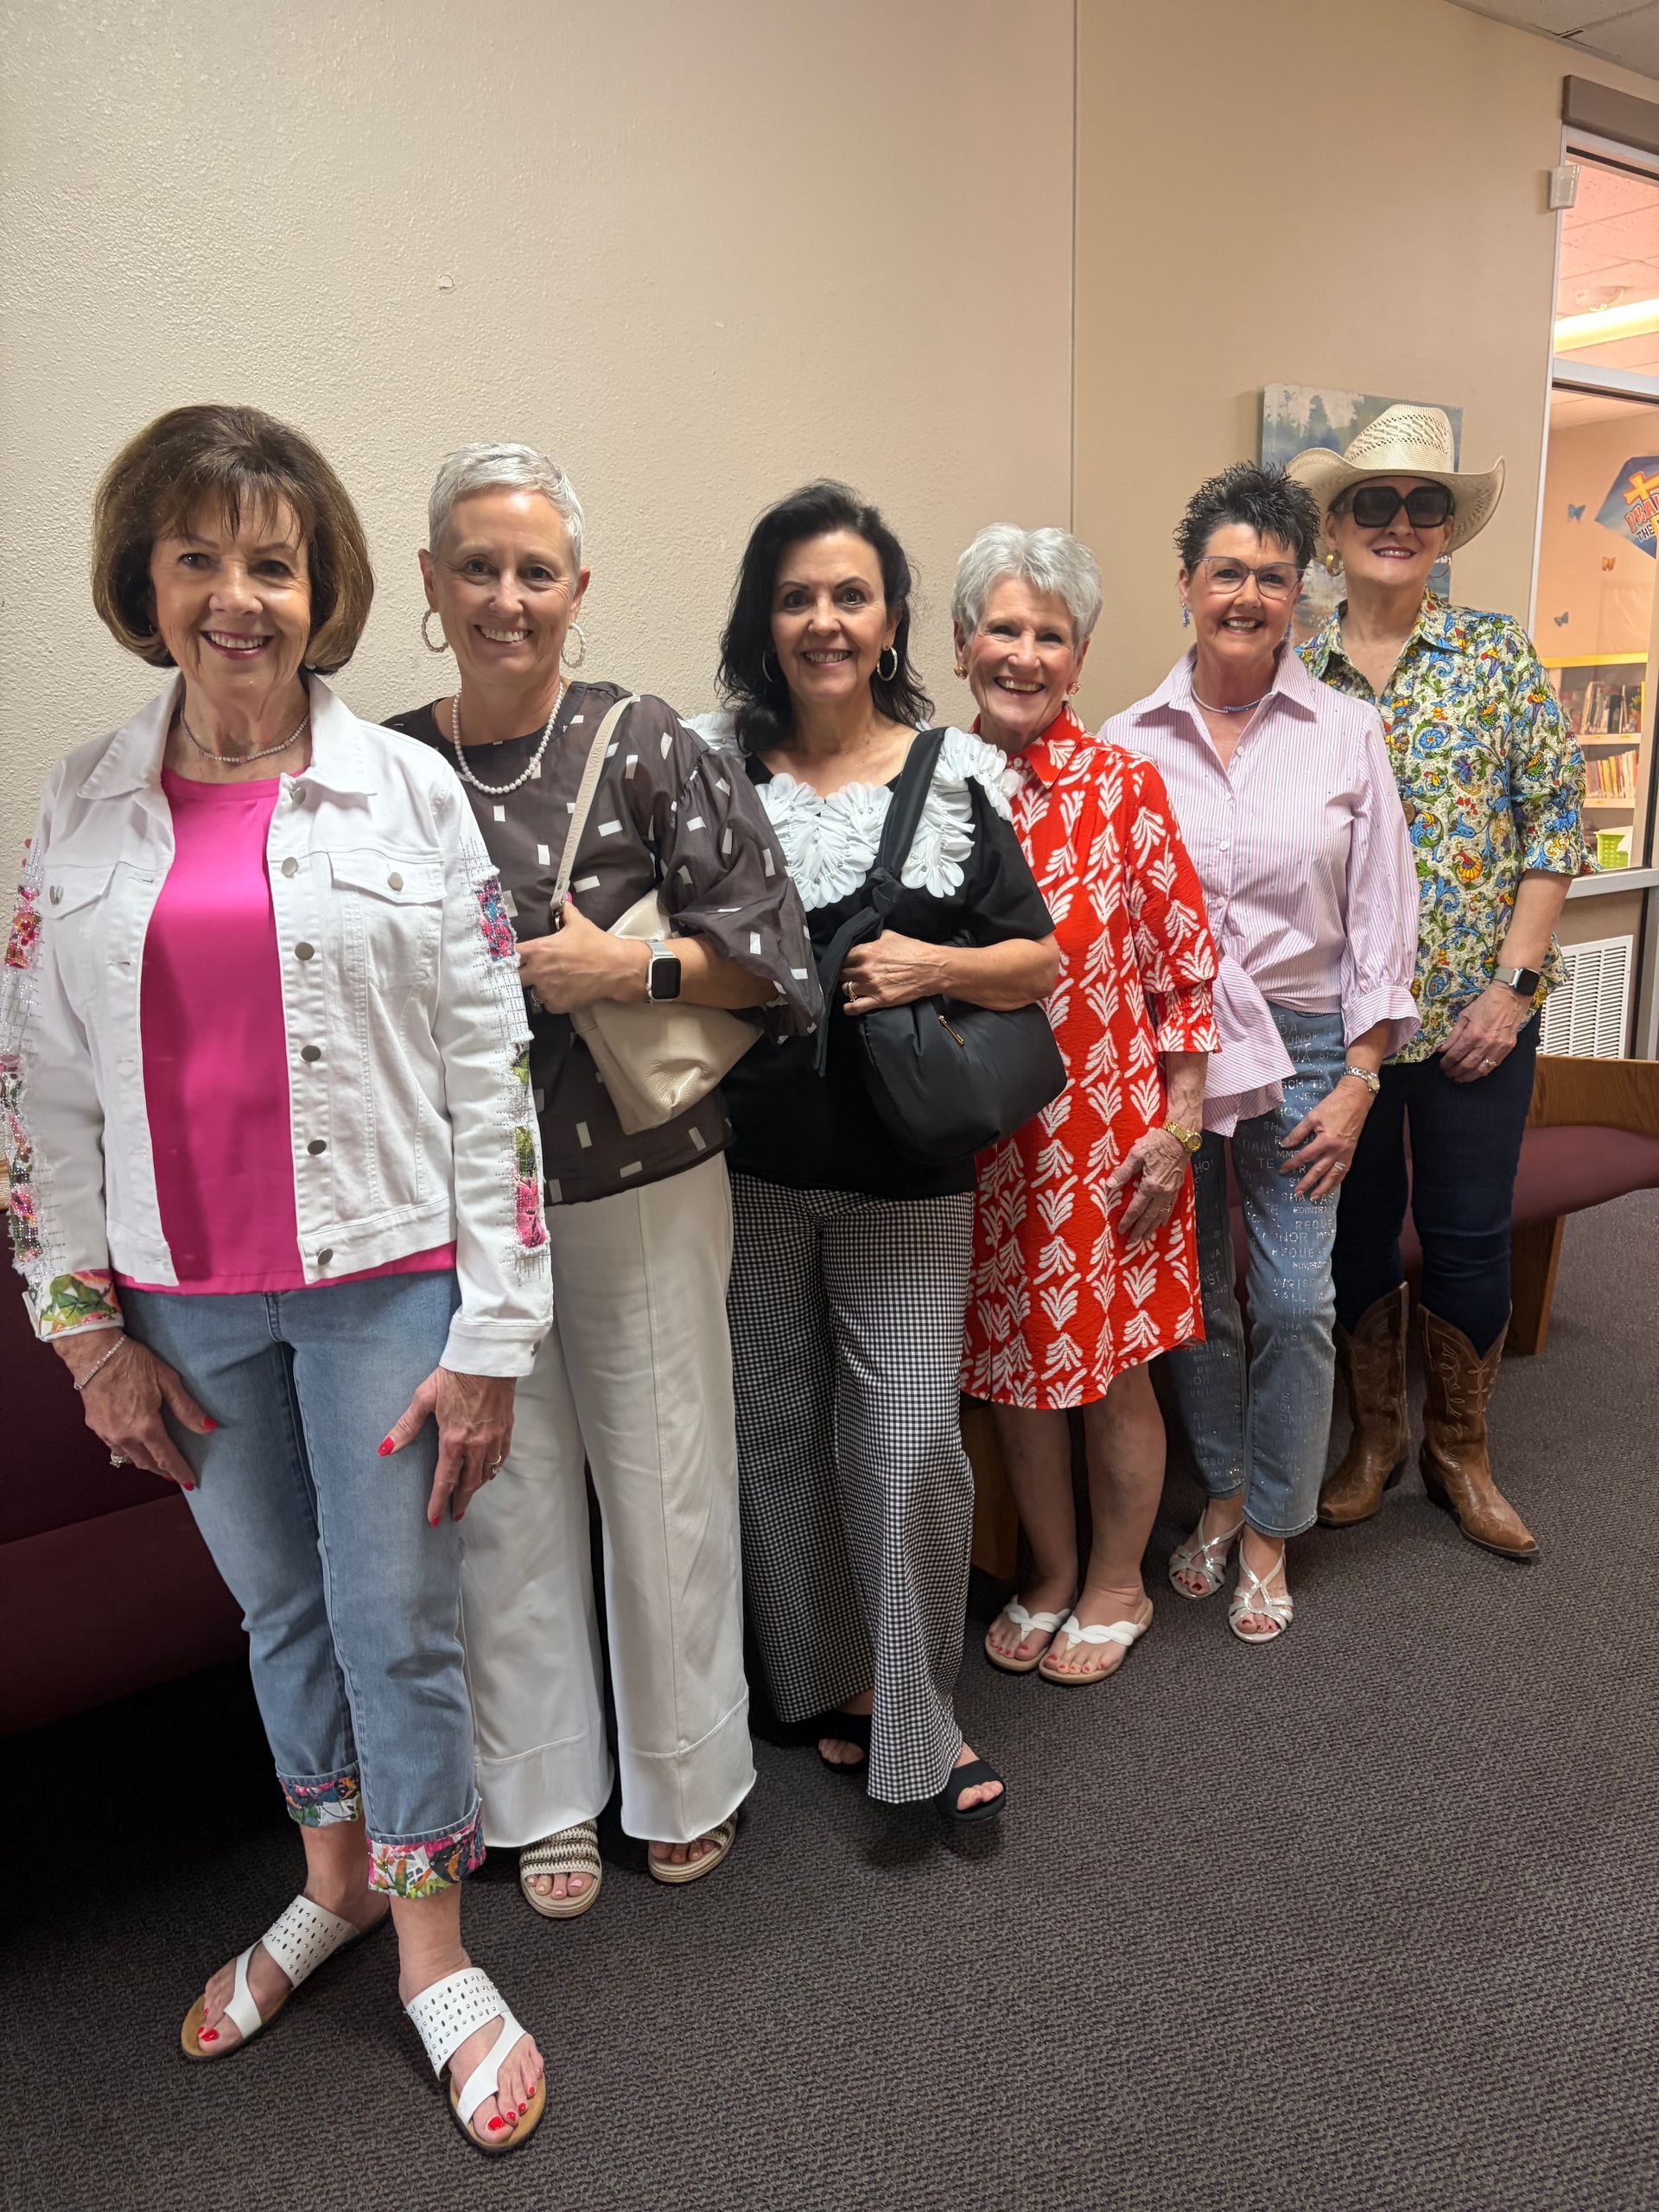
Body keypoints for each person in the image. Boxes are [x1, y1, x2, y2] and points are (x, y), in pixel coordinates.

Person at [4, 405, 550, 2152]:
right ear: (144, 580)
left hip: (387, 1280)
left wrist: (495, 1335)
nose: (235, 594)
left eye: (270, 560)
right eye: (197, 557)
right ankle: (330, 1881)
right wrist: (89, 1341)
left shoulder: (404, 790)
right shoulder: (82, 802)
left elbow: (491, 1064)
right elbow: (45, 1090)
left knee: (398, 1620)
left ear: (317, 587)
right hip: (188, 1301)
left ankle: (438, 1947)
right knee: (281, 1609)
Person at [385, 444, 818, 1918]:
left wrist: (616, 962)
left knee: (667, 1482)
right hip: (461, 1204)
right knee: (497, 1505)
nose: (510, 597)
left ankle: (688, 1772)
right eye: (479, 568)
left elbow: (777, 957)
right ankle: (544, 1793)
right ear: (433, 584)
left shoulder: (648, 745)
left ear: (578, 587)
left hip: (642, 1178)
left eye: (537, 570)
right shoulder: (383, 770)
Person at [692, 480, 1058, 1820]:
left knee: (905, 1442)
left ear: (894, 617)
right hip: (740, 1171)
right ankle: (830, 1683)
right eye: (797, 597)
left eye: (850, 595)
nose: (824, 621)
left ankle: (920, 1722)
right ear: (763, 618)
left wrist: (930, 961)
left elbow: (1038, 960)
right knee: (776, 1433)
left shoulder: (950, 773)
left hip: (907, 1174)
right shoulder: (704, 764)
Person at [1105, 463, 1420, 1643]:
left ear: (1301, 596)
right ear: (1186, 584)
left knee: (1292, 1297)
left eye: (1272, 578)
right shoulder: (1126, 741)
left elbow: (1386, 923)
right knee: (1196, 1299)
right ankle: (1226, 1492)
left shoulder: (1348, 733)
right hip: (1170, 1052)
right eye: (1226, 572)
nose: (1246, 594)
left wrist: (1357, 1082)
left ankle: (1277, 1525)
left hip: (1300, 1045)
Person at [1288, 406, 1588, 1558]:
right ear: (1332, 528)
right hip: (1339, 1032)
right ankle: (1373, 1442)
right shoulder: (1293, 678)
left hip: (1476, 1020)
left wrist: (1513, 988)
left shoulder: (1500, 658)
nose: (1401, 524)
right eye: (1376, 503)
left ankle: (1459, 1453)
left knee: (1466, 1235)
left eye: (1427, 507)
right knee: (1355, 1237)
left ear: (1449, 533)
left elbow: (1554, 836)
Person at [952, 525, 1219, 1685]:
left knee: (1110, 1375)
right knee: (1013, 1375)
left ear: (1080, 654)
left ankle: (1118, 1582)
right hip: (971, 1148)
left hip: (1108, 1144)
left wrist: (1181, 1124)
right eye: (1002, 628)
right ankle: (1051, 1573)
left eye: (1047, 634)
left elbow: (1187, 973)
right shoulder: (925, 784)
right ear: (963, 644)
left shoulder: (1124, 788)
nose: (1023, 653)